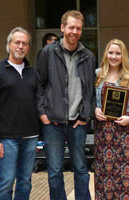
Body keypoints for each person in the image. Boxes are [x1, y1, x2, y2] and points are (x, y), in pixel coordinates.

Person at [37, 10, 95, 200]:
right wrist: (43, 114)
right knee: (54, 171)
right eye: (71, 27)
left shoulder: (88, 56)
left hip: (77, 123)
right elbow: (40, 85)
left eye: (78, 28)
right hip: (53, 123)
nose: (74, 31)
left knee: (81, 169)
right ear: (63, 28)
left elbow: (90, 91)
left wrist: (85, 116)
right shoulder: (47, 53)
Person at [0, 27, 39, 200]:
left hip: (31, 137)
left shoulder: (33, 73)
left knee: (25, 181)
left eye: (25, 43)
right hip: (7, 139)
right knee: (6, 182)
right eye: (17, 42)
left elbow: (38, 104)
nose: (21, 46)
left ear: (28, 47)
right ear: (9, 45)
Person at [94, 39, 129, 200]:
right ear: (106, 54)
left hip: (124, 132)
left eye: (118, 53)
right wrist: (95, 110)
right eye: (111, 52)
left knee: (125, 176)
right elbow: (91, 101)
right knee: (104, 175)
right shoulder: (97, 74)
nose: (114, 56)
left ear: (123, 56)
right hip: (103, 133)